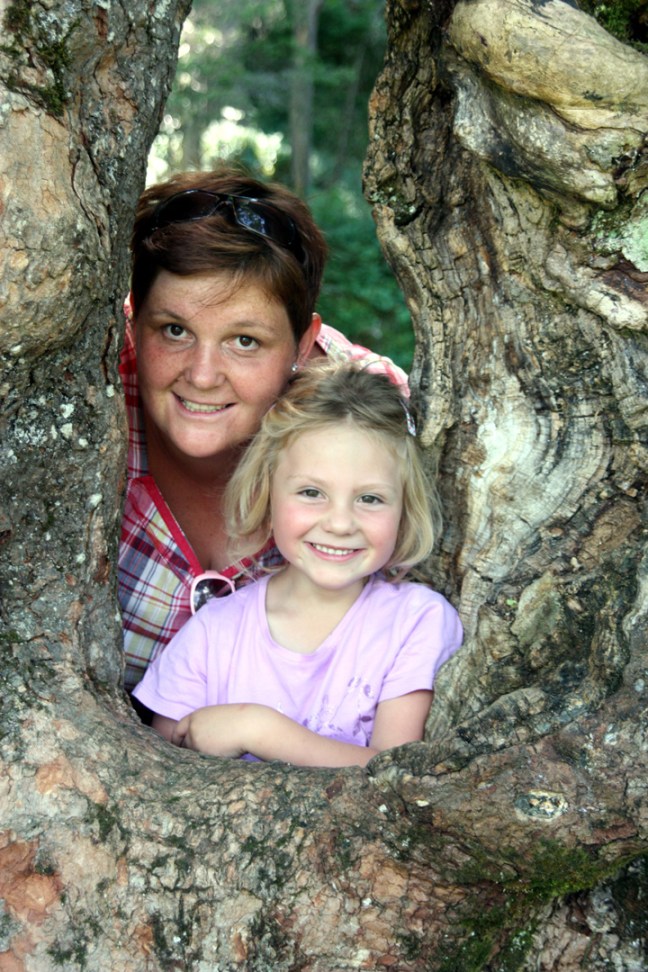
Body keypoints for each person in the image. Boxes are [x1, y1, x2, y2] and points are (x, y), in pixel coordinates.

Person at [119, 164, 408, 693]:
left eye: (245, 341)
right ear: (134, 320)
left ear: (303, 343)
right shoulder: (78, 388)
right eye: (175, 330)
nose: (202, 375)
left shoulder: (370, 418)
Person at [132, 362, 463, 767]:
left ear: (405, 508)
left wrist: (259, 730)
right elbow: (157, 770)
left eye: (370, 498)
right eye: (311, 492)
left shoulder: (415, 622)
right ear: (267, 492)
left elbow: (395, 775)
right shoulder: (211, 634)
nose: (340, 523)